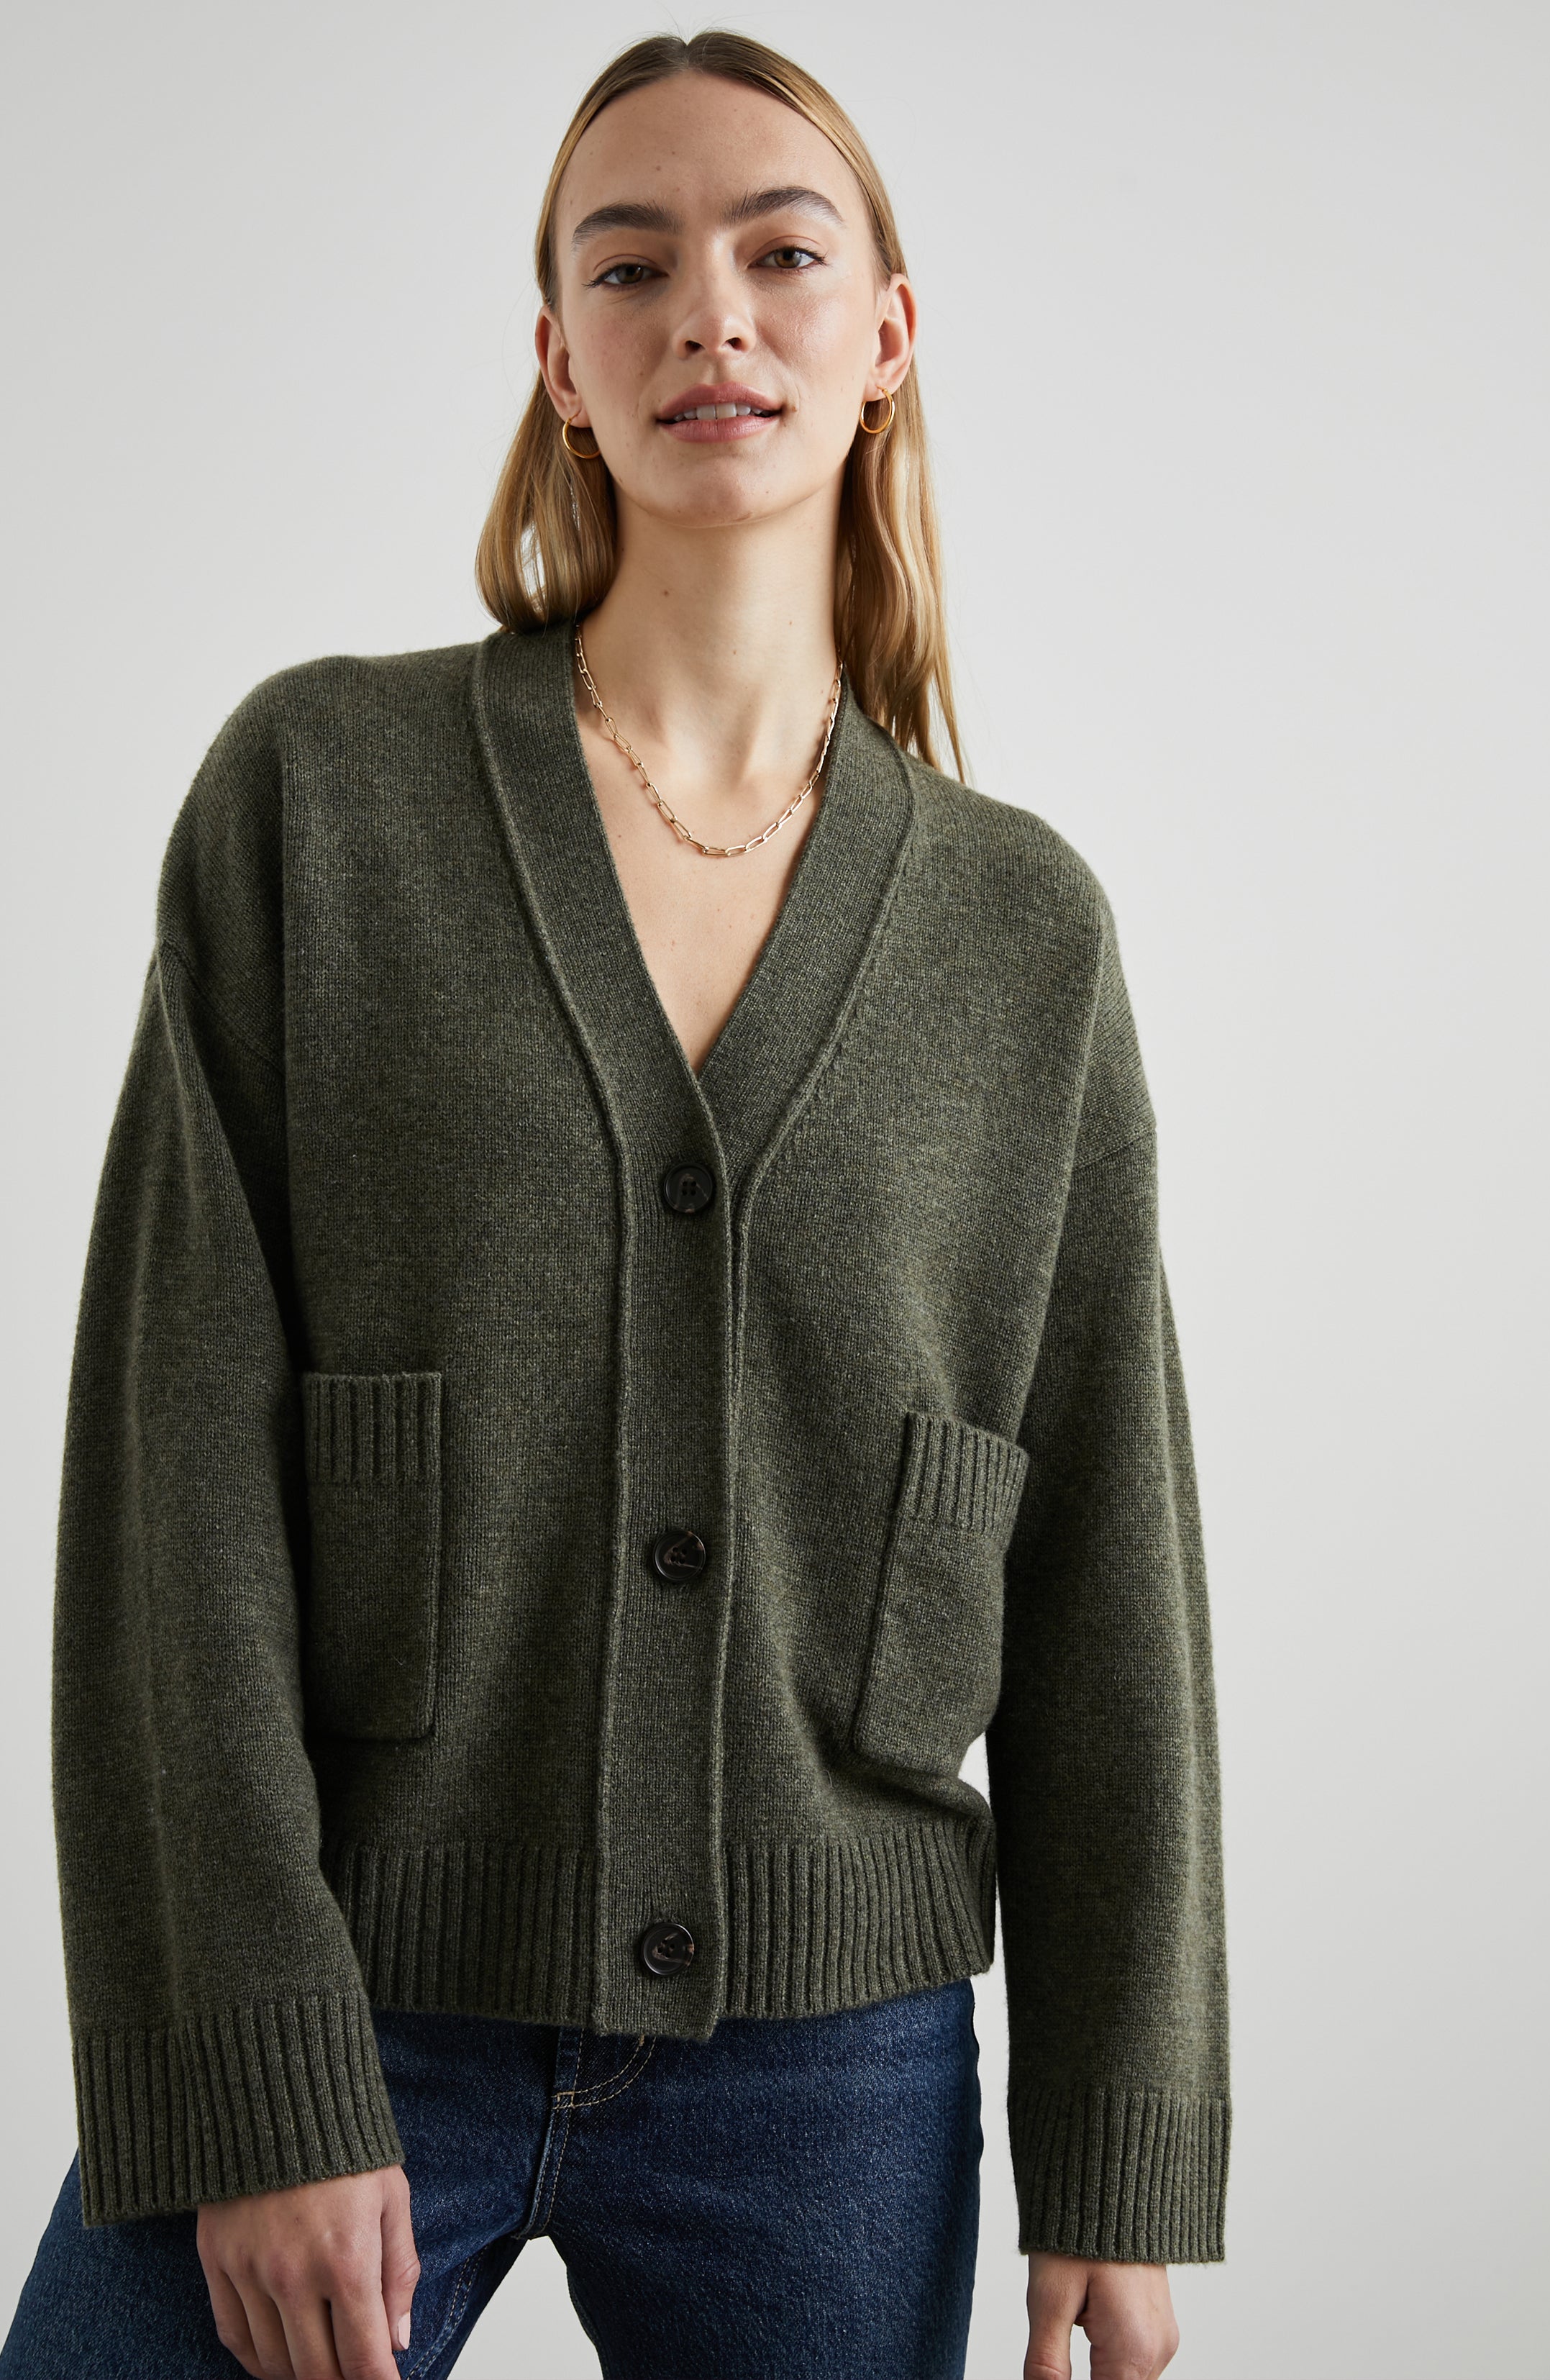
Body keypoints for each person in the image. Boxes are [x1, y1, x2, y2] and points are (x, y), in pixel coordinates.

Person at [1, 31, 1227, 2380]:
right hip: (358, 2000)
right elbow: (177, 1482)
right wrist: (255, 2068)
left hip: (833, 2070)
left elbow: (1110, 1576)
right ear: (558, 355)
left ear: (888, 331)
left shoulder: (1021, 935)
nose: (711, 315)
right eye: (631, 264)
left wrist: (1116, 2141)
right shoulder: (318, 804)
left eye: (783, 252)